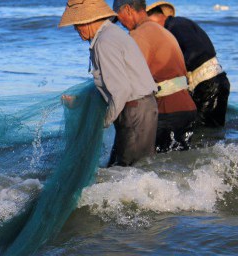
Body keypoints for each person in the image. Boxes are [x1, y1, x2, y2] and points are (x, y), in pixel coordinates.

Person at [59, 0, 158, 167]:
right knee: (128, 168)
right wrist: (80, 101)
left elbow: (121, 90)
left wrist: (103, 122)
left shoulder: (104, 42)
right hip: (140, 109)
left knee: (128, 171)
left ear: (88, 20)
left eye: (77, 24)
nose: (76, 30)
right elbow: (111, 84)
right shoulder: (111, 34)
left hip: (134, 111)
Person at [113, 0, 197, 153]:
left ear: (128, 10)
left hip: (168, 111)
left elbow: (129, 77)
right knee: (178, 167)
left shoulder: (138, 35)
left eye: (118, 17)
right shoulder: (162, 30)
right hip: (187, 108)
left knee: (151, 167)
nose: (120, 24)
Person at [147, 1, 231, 128]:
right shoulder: (181, 23)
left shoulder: (175, 27)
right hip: (216, 81)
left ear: (154, 18)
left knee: (202, 132)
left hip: (208, 85)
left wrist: (176, 72)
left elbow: (195, 52)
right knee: (212, 130)